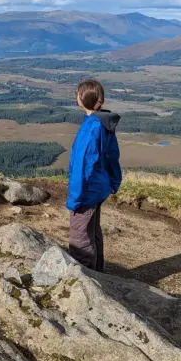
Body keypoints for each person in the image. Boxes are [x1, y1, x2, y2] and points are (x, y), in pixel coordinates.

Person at [66, 79, 122, 271]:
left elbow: (82, 167)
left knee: (80, 239)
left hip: (86, 193)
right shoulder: (104, 124)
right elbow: (112, 156)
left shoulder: (91, 129)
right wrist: (114, 181)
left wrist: (75, 199)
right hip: (100, 188)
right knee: (93, 234)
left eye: (77, 93)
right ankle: (99, 274)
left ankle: (86, 281)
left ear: (82, 99)